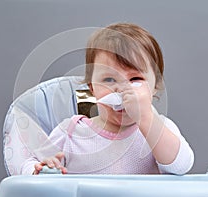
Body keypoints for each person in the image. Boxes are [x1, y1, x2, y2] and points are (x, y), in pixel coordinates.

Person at [21, 23, 194, 175]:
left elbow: (180, 166)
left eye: (135, 79)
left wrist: (146, 117)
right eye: (109, 80)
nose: (122, 89)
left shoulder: (159, 129)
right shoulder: (71, 133)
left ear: (154, 86)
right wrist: (42, 168)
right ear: (92, 88)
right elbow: (30, 163)